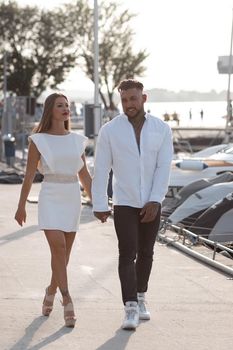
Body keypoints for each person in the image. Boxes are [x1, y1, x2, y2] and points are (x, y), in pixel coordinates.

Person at [92, 79, 173, 330]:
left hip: (152, 200)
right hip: (124, 201)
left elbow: (163, 167)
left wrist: (155, 199)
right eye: (125, 100)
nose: (129, 104)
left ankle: (140, 296)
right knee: (128, 252)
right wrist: (99, 203)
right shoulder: (109, 131)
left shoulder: (161, 129)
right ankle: (129, 307)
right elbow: (102, 168)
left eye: (133, 99)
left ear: (143, 99)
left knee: (147, 252)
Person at [14, 92, 92, 328]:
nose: (66, 109)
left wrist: (98, 203)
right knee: (57, 247)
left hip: (71, 197)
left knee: (64, 255)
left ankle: (50, 289)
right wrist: (21, 206)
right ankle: (66, 299)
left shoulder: (77, 140)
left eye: (67, 105)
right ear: (51, 110)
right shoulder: (38, 140)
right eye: (60, 105)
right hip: (49, 195)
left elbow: (84, 175)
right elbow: (29, 175)